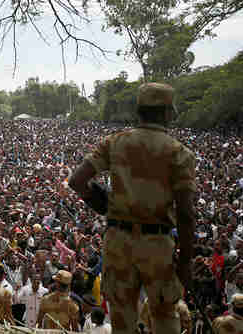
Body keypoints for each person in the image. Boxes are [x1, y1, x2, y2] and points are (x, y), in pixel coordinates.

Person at [69, 82, 196, 334]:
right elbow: (185, 213)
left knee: (121, 317)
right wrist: (185, 261)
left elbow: (76, 181)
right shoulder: (179, 153)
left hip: (118, 241)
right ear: (167, 112)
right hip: (157, 244)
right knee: (164, 315)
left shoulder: (115, 142)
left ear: (139, 110)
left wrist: (100, 203)